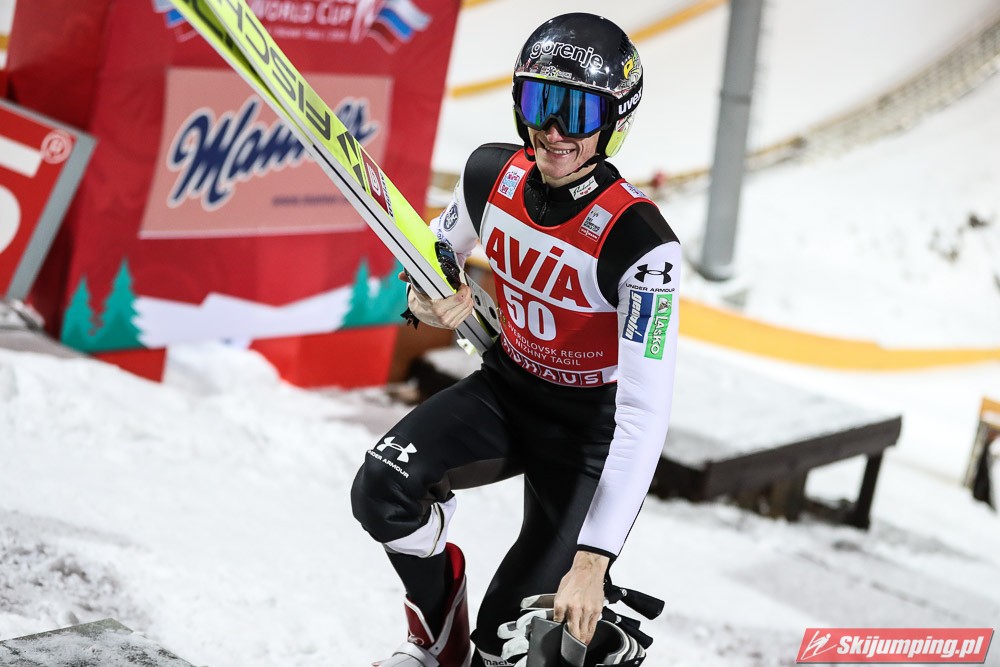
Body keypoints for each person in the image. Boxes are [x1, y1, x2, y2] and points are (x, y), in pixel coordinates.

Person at [351, 12, 680, 667]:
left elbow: (645, 414)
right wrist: (427, 298)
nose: (553, 130)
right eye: (538, 102)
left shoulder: (642, 244)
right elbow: (430, 259)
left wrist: (592, 562)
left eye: (577, 111)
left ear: (615, 120)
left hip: (586, 437)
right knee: (381, 490)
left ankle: (587, 637)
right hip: (506, 390)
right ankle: (436, 641)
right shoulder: (488, 176)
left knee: (508, 641)